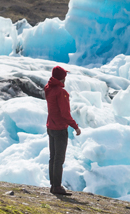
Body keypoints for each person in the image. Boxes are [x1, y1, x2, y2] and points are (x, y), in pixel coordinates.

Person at [45, 65, 80, 195]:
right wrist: (75, 126)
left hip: (50, 126)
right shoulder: (61, 92)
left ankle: (53, 185)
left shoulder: (48, 88)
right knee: (59, 159)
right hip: (59, 128)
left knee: (53, 157)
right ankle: (57, 186)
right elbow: (65, 114)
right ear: (62, 78)